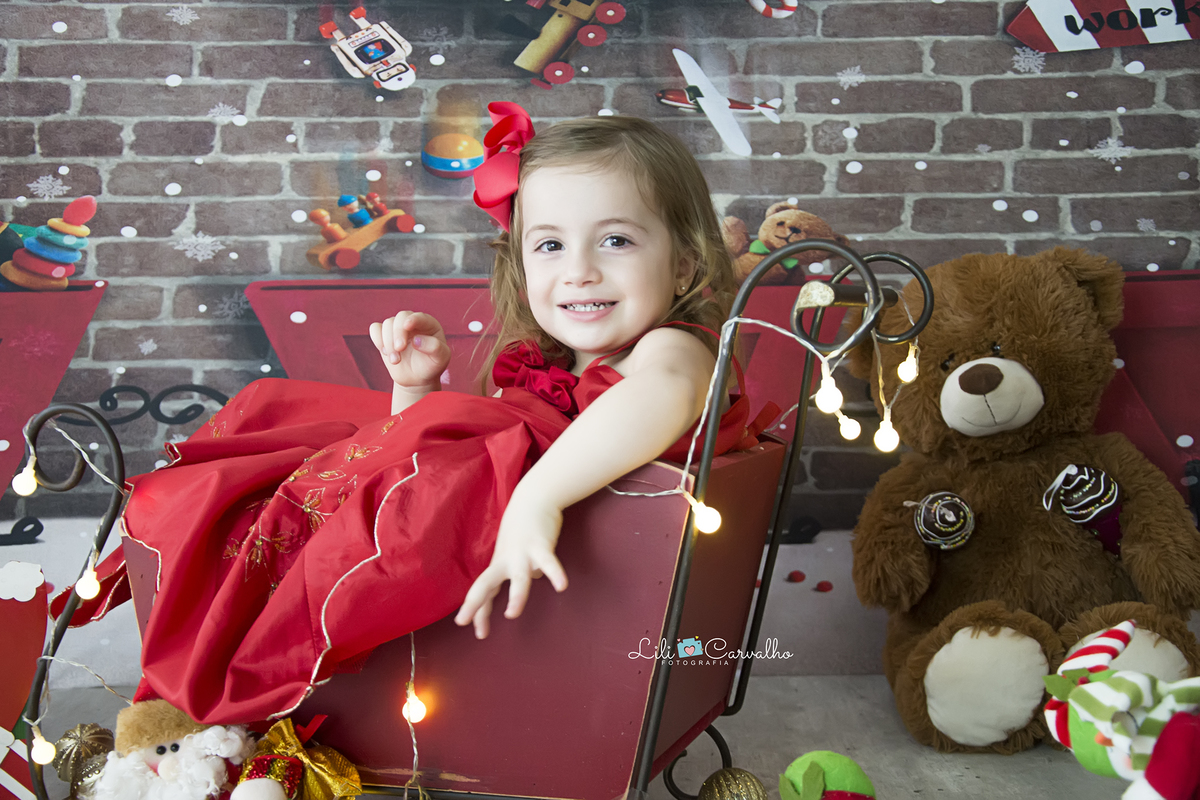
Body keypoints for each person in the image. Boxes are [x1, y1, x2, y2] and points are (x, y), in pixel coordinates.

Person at [118, 103, 776, 725]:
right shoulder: (548, 369)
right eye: (550, 246)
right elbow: (442, 458)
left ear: (683, 260)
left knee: (387, 510)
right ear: (520, 262)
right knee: (286, 431)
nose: (579, 271)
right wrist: (419, 394)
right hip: (485, 569)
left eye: (615, 241)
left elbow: (655, 400)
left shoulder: (674, 350)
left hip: (574, 641)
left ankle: (257, 669)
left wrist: (538, 500)